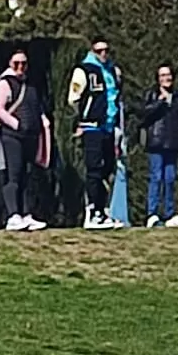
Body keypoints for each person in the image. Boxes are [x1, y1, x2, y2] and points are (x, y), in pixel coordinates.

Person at [0, 50, 50, 232]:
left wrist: (42, 122)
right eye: (16, 63)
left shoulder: (30, 85)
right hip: (12, 136)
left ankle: (26, 214)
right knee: (13, 175)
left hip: (30, 135)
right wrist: (16, 124)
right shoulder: (5, 83)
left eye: (23, 63)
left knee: (28, 175)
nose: (20, 67)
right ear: (10, 63)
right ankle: (13, 215)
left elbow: (36, 106)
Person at [69, 38, 124, 230]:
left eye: (106, 50)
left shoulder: (112, 70)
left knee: (108, 169)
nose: (103, 54)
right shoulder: (84, 70)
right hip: (91, 126)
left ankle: (103, 209)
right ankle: (93, 211)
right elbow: (73, 98)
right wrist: (84, 116)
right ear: (92, 51)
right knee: (94, 169)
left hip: (108, 127)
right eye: (99, 50)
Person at [139, 64, 178, 228]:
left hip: (172, 144)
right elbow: (143, 114)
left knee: (170, 178)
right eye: (162, 75)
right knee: (156, 177)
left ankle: (170, 213)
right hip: (156, 143)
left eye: (168, 75)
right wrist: (160, 103)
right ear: (157, 79)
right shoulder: (152, 95)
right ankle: (152, 214)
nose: (166, 78)